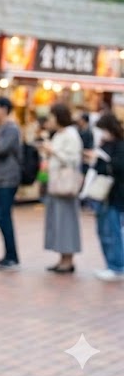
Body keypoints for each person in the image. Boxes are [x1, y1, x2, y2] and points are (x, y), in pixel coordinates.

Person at [41, 103, 84, 274]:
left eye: (52, 117)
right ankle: (62, 257)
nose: (49, 121)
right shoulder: (59, 135)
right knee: (58, 222)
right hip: (55, 184)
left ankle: (68, 259)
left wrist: (52, 151)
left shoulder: (71, 135)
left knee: (66, 222)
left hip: (65, 185)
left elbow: (73, 159)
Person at [0, 96, 23, 271]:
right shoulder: (1, 127)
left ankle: (12, 257)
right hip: (0, 178)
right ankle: (9, 255)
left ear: (3, 109)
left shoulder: (11, 128)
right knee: (1, 217)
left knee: (3, 216)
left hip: (7, 179)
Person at [90, 113, 124, 282]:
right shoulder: (104, 145)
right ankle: (110, 264)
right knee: (103, 230)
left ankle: (116, 265)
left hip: (115, 194)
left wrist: (106, 160)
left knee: (113, 230)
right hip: (102, 193)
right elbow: (98, 168)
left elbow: (118, 167)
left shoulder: (119, 146)